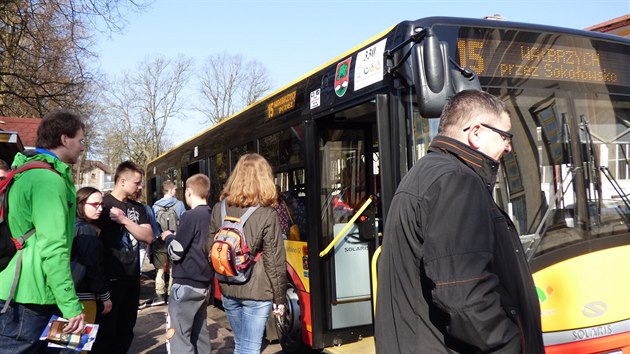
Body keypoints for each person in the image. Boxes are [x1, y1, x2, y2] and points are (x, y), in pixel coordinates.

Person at [375, 90, 544, 354]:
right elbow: (464, 294)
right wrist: (512, 344)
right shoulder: (456, 181)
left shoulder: (429, 173)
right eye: (505, 136)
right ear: (476, 133)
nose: (508, 146)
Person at [0, 109, 86, 352]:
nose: (82, 147)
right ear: (63, 139)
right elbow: (54, 247)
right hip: (30, 297)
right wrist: (70, 305)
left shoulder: (26, 171)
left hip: (15, 289)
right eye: (80, 140)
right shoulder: (48, 181)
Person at [207, 153, 288, 354]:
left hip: (227, 286)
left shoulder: (219, 208)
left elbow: (208, 248)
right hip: (257, 291)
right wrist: (280, 299)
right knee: (250, 347)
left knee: (241, 344)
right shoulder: (267, 213)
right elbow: (274, 260)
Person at [92, 161, 153, 354]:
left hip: (132, 278)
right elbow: (92, 242)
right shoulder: (104, 205)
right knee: (105, 334)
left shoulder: (138, 208)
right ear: (123, 181)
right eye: (137, 183)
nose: (140, 187)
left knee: (126, 332)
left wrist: (124, 220)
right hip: (110, 281)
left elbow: (148, 236)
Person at [160, 174, 212, 353]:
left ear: (189, 192)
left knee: (179, 337)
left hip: (185, 284)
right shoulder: (212, 215)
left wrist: (168, 237)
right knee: (200, 334)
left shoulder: (190, 216)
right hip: (204, 283)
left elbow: (176, 251)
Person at [63, 187, 112, 354]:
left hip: (67, 296)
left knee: (65, 345)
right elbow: (93, 267)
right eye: (95, 204)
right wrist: (105, 296)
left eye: (101, 205)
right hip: (84, 298)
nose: (100, 209)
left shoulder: (70, 226)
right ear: (81, 204)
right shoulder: (86, 230)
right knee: (78, 347)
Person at [151, 180, 186, 306]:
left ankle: (159, 295)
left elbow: (153, 224)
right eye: (175, 189)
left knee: (159, 269)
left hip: (160, 242)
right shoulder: (180, 204)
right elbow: (183, 222)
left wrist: (158, 236)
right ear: (171, 190)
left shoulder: (155, 206)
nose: (176, 191)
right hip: (174, 240)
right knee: (172, 268)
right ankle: (171, 294)